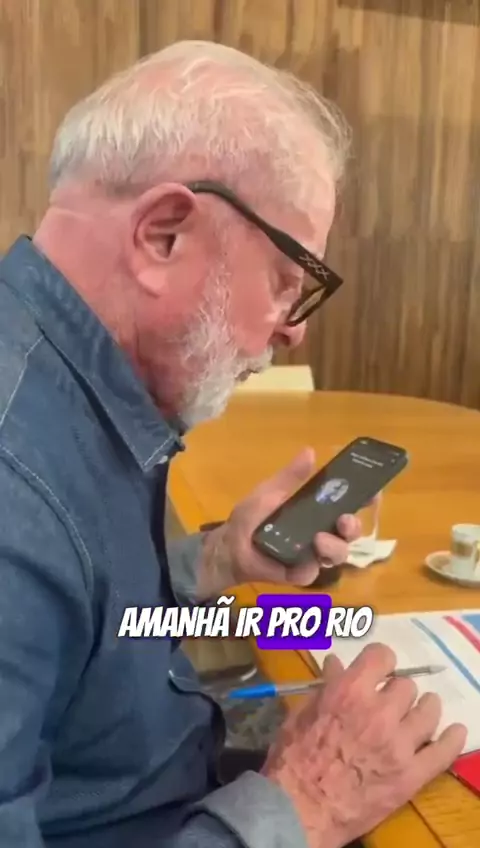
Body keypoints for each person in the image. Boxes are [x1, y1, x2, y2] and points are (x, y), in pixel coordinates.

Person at [0, 40, 465, 848]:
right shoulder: (15, 488)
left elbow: (88, 628)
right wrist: (304, 807)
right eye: (290, 279)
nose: (294, 328)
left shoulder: (67, 387)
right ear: (164, 235)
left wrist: (215, 563)